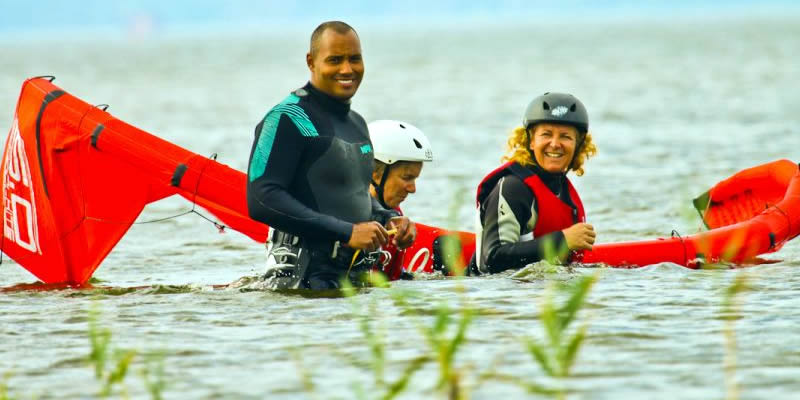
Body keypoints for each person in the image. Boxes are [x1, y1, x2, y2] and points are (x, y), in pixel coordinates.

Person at [246, 21, 415, 290]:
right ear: (311, 62)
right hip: (300, 290)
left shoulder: (358, 124)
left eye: (354, 59)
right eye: (335, 60)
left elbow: (352, 196)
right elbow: (261, 198)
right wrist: (347, 232)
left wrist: (387, 217)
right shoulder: (286, 118)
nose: (347, 69)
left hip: (350, 285)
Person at [470, 92, 597, 274]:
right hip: (498, 296)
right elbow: (492, 260)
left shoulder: (563, 190)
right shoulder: (513, 188)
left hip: (545, 293)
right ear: (530, 141)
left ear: (578, 144)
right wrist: (563, 240)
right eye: (546, 134)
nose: (555, 144)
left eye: (565, 136)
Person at [367, 120, 434, 280]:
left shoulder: (396, 215)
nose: (413, 189)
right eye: (407, 178)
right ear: (374, 173)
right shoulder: (341, 215)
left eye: (415, 179)